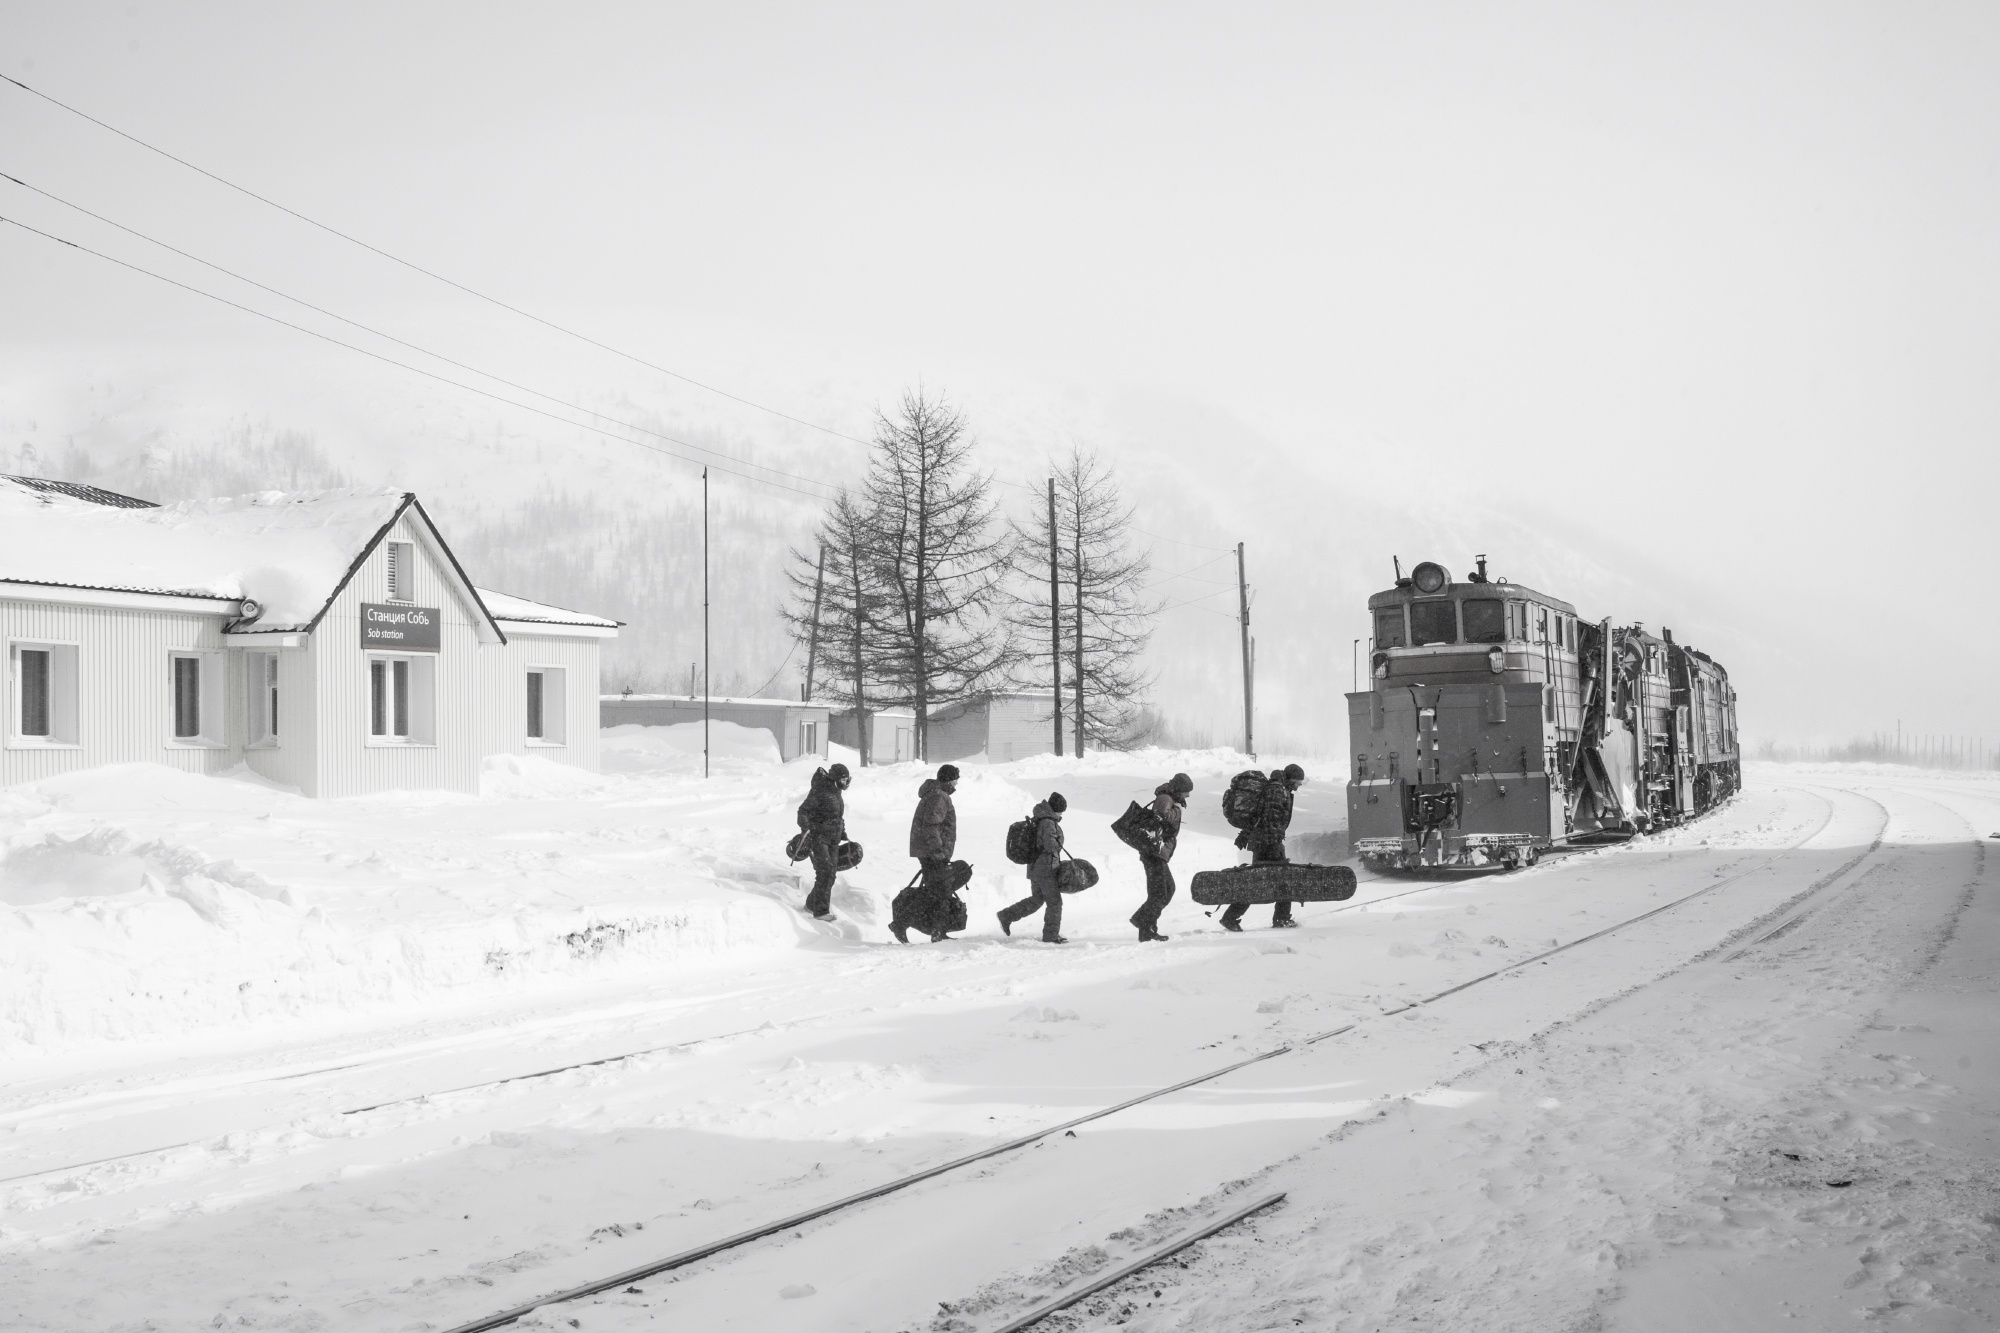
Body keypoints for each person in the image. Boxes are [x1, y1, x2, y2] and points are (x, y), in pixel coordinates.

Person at [1221, 763, 1304, 932]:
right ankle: (1281, 919)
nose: (1298, 786)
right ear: (1292, 779)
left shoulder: (1276, 788)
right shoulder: (1277, 790)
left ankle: (1231, 917)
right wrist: (1274, 844)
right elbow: (1269, 817)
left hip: (1263, 842)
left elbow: (1260, 814)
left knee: (1256, 881)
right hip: (1268, 843)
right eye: (1298, 782)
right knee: (1283, 879)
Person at [892, 764, 961, 943]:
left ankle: (937, 931)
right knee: (939, 892)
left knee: (937, 892)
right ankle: (903, 924)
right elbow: (931, 825)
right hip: (932, 852)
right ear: (948, 780)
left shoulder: (936, 794)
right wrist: (938, 851)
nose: (956, 784)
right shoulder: (939, 796)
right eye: (955, 780)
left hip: (930, 851)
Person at [997, 792, 1069, 943]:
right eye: (1061, 811)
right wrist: (1060, 841)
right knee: (1055, 903)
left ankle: (1007, 915)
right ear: (1055, 809)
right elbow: (1050, 845)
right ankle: (1051, 935)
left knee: (1037, 899)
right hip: (1046, 869)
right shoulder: (1048, 823)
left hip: (1035, 867)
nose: (1062, 814)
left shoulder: (1039, 818)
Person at [1131, 772, 1191, 941]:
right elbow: (1161, 816)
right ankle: (1145, 927)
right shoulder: (1165, 798)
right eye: (1186, 791)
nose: (1188, 795)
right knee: (1160, 893)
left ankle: (1144, 922)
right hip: (1153, 853)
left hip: (1157, 852)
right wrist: (1177, 810)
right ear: (1179, 789)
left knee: (1166, 890)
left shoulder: (1170, 798)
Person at [797, 762, 851, 921]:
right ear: (835, 778)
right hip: (819, 838)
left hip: (833, 839)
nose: (846, 783)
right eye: (843, 780)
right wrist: (807, 829)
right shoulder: (820, 790)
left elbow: (836, 816)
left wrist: (842, 831)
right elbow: (803, 811)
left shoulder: (836, 792)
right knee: (825, 871)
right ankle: (821, 912)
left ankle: (811, 905)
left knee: (830, 874)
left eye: (847, 780)